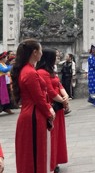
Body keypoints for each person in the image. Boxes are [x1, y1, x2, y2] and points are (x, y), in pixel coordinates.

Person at [11, 39, 56, 173]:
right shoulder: (30, 73)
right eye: (40, 50)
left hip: (31, 114)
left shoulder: (28, 70)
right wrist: (49, 113)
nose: (42, 53)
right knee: (35, 156)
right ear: (35, 52)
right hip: (33, 117)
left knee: (34, 154)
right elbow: (39, 98)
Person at [37, 48, 69, 173]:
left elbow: (58, 84)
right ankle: (51, 162)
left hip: (58, 104)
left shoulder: (51, 70)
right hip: (52, 106)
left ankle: (55, 160)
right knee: (52, 136)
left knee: (58, 135)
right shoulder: (41, 72)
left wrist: (64, 95)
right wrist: (63, 100)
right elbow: (49, 91)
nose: (58, 57)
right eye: (55, 56)